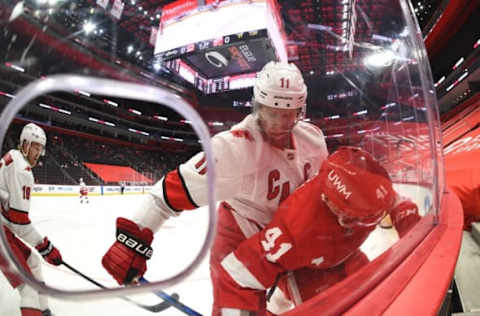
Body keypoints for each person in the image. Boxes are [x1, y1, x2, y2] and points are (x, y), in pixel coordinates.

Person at [101, 61, 329, 315]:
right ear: (257, 106)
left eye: (288, 114)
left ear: (300, 110)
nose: (278, 123)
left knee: (329, 302)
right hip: (241, 239)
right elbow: (166, 195)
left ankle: (276, 304)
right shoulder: (232, 148)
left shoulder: (313, 140)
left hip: (291, 237)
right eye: (271, 112)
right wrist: (130, 242)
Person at [217, 146, 420, 314]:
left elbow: (398, 205)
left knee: (377, 298)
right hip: (304, 270)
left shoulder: (370, 186)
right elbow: (235, 275)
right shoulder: (296, 229)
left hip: (341, 255)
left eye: (352, 217)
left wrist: (414, 234)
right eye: (344, 214)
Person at [0, 123, 63, 316]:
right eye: (36, 146)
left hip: (3, 230)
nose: (39, 152)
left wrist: (42, 249)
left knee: (33, 262)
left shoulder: (13, 157)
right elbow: (19, 222)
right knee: (28, 289)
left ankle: (43, 310)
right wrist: (45, 246)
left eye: (41, 147)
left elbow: (11, 219)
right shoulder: (21, 169)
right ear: (25, 144)